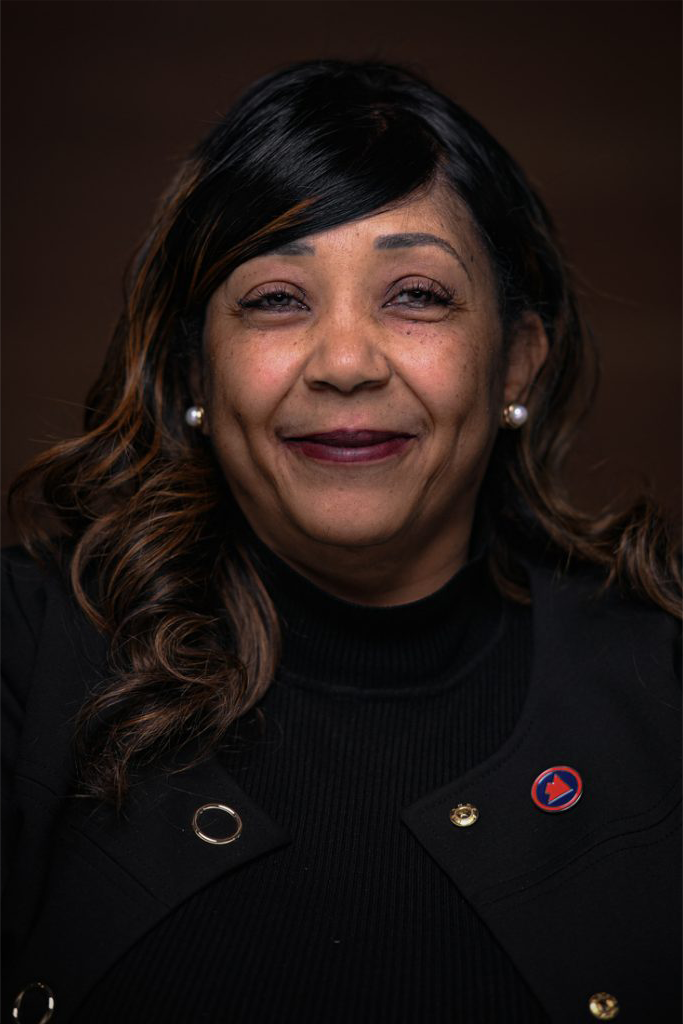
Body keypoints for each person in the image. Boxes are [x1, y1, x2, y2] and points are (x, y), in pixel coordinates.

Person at [1, 59, 681, 1024]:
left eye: (416, 295)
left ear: (515, 362)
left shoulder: (663, 677)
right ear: (196, 370)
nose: (347, 362)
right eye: (277, 299)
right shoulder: (24, 656)